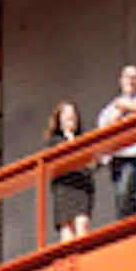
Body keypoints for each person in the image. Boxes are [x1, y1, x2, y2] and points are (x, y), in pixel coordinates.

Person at [98, 62, 136, 217]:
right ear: (121, 80)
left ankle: (135, 221)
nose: (131, 81)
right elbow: (104, 128)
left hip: (135, 156)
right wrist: (121, 111)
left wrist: (127, 106)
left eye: (135, 78)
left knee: (126, 191)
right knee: (121, 196)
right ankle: (128, 223)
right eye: (127, 77)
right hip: (117, 157)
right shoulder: (110, 108)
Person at [42, 99, 93, 239]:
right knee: (67, 231)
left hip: (81, 187)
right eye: (67, 116)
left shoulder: (84, 140)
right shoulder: (55, 142)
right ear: (60, 120)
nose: (71, 119)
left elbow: (90, 164)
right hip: (64, 188)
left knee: (82, 224)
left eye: (73, 116)